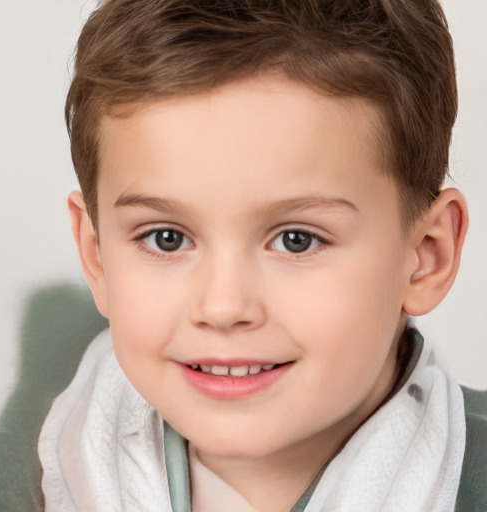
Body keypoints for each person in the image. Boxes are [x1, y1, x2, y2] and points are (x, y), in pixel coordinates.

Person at [34, 1, 486, 511]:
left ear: (426, 257)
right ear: (97, 258)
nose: (223, 307)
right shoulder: (12, 482)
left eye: (297, 239)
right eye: (166, 238)